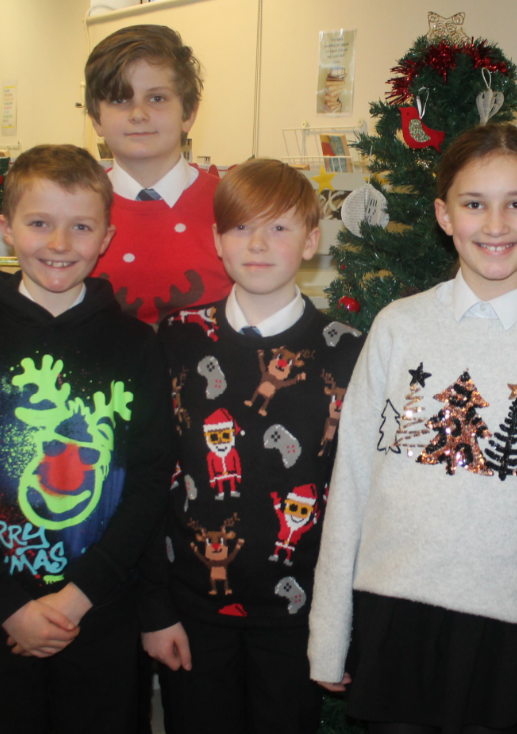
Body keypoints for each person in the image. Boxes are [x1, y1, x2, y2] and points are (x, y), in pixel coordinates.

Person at [307, 123, 517, 734]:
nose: (495, 225)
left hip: (504, 637)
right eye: (474, 204)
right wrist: (328, 633)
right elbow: (352, 490)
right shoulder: (398, 328)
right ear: (445, 215)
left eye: (516, 204)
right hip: (391, 618)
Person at [0, 144, 174, 734]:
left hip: (103, 613)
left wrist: (78, 597)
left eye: (80, 226)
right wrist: (7, 606)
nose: (59, 244)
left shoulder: (137, 345)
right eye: (39, 223)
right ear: (8, 229)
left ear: (106, 235)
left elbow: (151, 478)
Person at [139, 159, 365, 734]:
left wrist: (341, 624)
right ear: (217, 240)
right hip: (192, 612)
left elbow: (363, 498)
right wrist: (155, 610)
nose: (258, 244)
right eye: (241, 227)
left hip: (299, 618)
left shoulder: (351, 353)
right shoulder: (177, 339)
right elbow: (145, 483)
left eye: (280, 228)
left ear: (312, 241)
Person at [84, 24, 232, 324]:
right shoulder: (73, 210)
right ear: (96, 119)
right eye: (119, 98)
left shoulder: (234, 207)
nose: (138, 114)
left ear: (188, 114)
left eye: (157, 99)